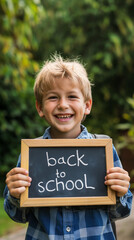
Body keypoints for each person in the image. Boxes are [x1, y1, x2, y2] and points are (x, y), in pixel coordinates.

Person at [4, 55, 133, 240]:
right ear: (40, 108)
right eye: (53, 97)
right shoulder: (31, 155)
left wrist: (121, 193)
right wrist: (15, 195)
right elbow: (18, 216)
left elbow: (121, 212)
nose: (63, 105)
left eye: (72, 96)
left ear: (87, 105)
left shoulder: (103, 152)